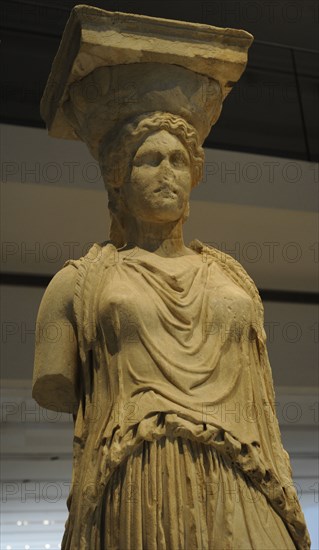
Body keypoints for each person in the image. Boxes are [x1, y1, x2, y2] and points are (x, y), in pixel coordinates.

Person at [33, 110, 310, 549]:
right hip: (141, 472)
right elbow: (55, 383)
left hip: (246, 469)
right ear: (119, 179)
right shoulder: (79, 283)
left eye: (179, 161)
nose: (168, 173)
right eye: (151, 160)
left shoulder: (232, 277)